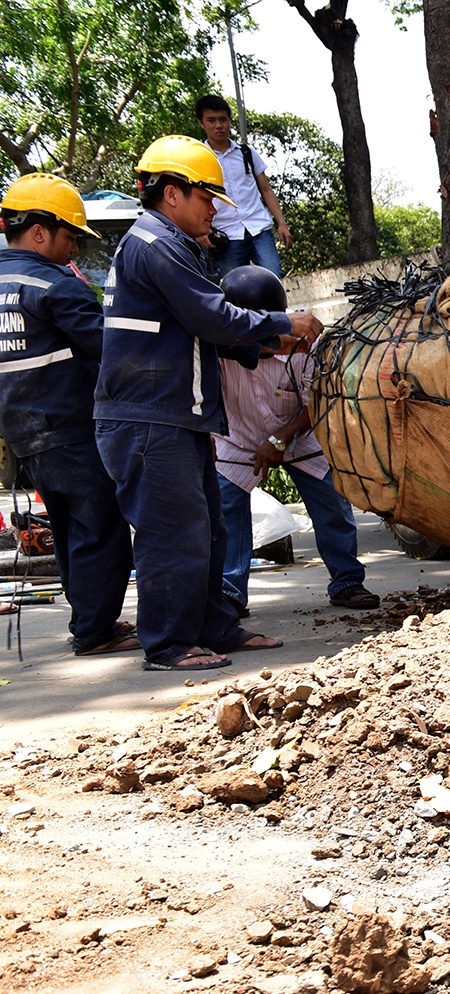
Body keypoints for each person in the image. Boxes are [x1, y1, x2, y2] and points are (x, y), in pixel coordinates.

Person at [94, 134, 321, 672]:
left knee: (208, 529)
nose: (214, 214)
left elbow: (202, 333)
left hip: (173, 416)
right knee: (172, 534)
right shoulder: (156, 245)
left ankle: (215, 625)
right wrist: (283, 323)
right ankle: (169, 645)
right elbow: (211, 316)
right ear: (171, 193)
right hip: (150, 419)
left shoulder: (164, 246)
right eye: (206, 200)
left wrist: (265, 342)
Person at [0, 173, 136, 655]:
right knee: (101, 527)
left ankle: (90, 621)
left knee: (69, 528)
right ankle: (94, 631)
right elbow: (112, 349)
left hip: (22, 432)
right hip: (70, 426)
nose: (74, 247)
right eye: (69, 234)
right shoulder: (55, 285)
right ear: (39, 230)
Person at [215, 265, 377, 615]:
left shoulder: (308, 342)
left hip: (299, 433)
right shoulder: (217, 343)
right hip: (239, 437)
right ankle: (229, 593)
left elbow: (316, 403)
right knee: (227, 508)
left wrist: (280, 438)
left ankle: (347, 581)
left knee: (331, 502)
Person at [194, 94, 292, 277]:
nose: (218, 125)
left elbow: (266, 189)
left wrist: (281, 223)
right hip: (226, 235)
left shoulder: (246, 153)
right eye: (211, 120)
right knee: (235, 289)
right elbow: (194, 199)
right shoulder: (198, 159)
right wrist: (200, 231)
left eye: (223, 119)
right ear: (201, 123)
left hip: (258, 228)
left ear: (229, 121)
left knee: (274, 277)